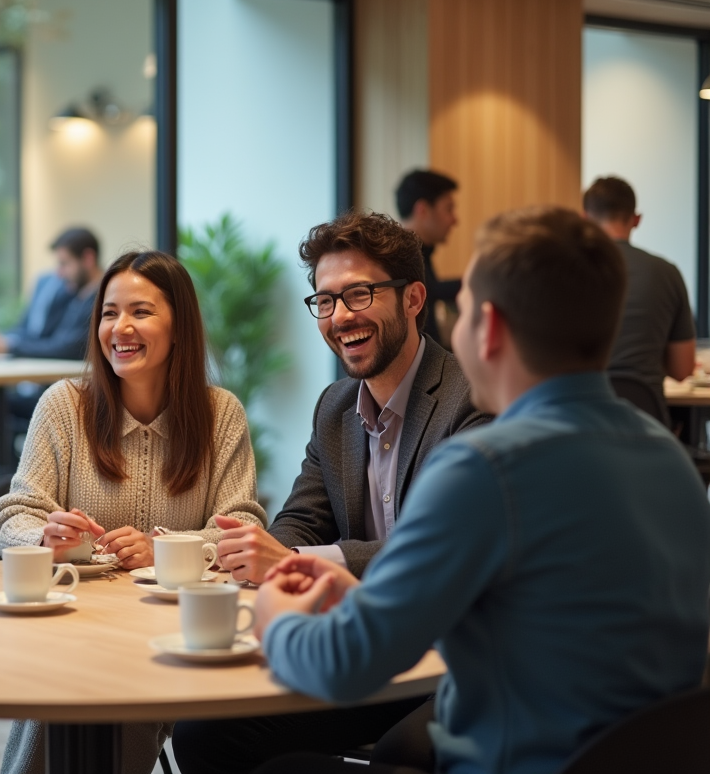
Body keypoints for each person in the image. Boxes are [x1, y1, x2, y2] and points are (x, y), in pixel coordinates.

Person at [251, 206, 710, 774]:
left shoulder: (487, 467)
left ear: (489, 329)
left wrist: (274, 617)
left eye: (462, 311)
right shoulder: (670, 458)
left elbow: (345, 664)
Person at [173, 212, 487, 774]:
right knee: (208, 730)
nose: (340, 317)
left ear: (413, 299)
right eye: (325, 301)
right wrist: (264, 552)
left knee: (406, 753)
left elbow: (441, 553)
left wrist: (294, 560)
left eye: (358, 295)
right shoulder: (336, 407)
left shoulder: (468, 400)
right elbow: (300, 519)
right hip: (365, 647)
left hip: (451, 655)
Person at [0, 250, 268, 774]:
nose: (120, 328)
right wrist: (44, 537)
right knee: (69, 692)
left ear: (179, 326)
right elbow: (14, 514)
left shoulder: (220, 414)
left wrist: (165, 551)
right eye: (109, 313)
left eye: (141, 312)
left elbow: (244, 526)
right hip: (74, 627)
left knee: (124, 695)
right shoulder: (63, 405)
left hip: (175, 636)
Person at [584, 175, 695, 424]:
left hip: (579, 423)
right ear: (636, 220)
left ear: (584, 219)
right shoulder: (666, 273)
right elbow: (682, 370)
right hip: (647, 424)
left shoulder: (565, 271)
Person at [0, 226, 104, 360]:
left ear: (88, 258)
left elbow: (68, 348)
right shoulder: (74, 295)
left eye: (65, 264)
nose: (59, 273)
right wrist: (4, 340)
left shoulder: (103, 298)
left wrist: (11, 346)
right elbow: (50, 340)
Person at [396, 169, 460, 345]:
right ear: (422, 209)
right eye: (449, 209)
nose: (454, 220)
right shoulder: (398, 261)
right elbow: (431, 290)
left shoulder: (421, 253)